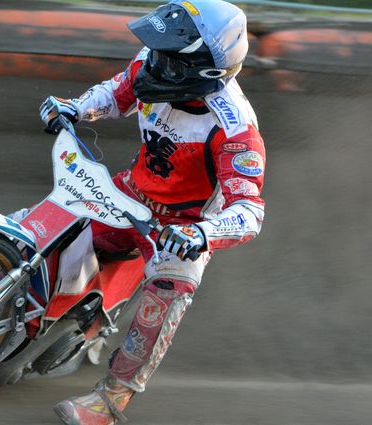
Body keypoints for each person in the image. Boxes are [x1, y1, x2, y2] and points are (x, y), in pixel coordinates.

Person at [38, 1, 266, 424]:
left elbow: (249, 211)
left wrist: (202, 235)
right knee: (37, 226)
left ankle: (111, 401)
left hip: (180, 229)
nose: (155, 63)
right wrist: (76, 107)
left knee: (165, 295)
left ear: (205, 71)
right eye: (158, 52)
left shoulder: (236, 129)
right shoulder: (154, 59)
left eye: (170, 61)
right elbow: (116, 94)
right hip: (127, 193)